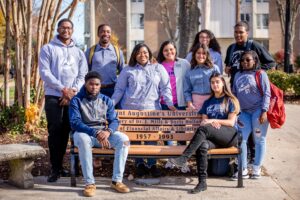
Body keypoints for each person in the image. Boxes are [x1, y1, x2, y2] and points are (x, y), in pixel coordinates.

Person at [168, 72, 240, 194]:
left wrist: (214, 120)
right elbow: (203, 122)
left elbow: (231, 123)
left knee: (204, 130)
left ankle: (184, 158)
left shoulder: (230, 100)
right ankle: (202, 183)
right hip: (213, 136)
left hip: (229, 136)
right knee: (202, 146)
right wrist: (210, 123)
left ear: (223, 83)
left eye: (217, 82)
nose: (215, 84)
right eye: (212, 82)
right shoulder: (208, 102)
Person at [112, 43, 175, 177]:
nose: (143, 55)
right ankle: (139, 164)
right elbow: (120, 90)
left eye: (145, 52)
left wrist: (169, 103)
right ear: (135, 54)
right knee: (134, 139)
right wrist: (111, 103)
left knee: (151, 138)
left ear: (149, 53)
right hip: (130, 110)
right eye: (139, 52)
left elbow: (165, 87)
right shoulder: (127, 70)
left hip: (151, 110)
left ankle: (152, 165)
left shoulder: (158, 68)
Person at [39, 18, 88, 182]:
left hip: (72, 96)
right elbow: (45, 73)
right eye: (63, 27)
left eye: (69, 28)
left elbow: (82, 75)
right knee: (55, 132)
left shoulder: (79, 52)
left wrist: (72, 91)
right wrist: (63, 89)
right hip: (54, 95)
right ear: (58, 29)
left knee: (67, 131)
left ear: (72, 30)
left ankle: (64, 167)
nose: (66, 30)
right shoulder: (48, 48)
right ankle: (55, 168)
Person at [69, 71, 130, 197]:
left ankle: (116, 181)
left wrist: (108, 131)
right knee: (83, 139)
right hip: (84, 133)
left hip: (102, 135)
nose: (94, 87)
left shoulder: (106, 100)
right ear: (85, 84)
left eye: (97, 84)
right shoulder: (76, 100)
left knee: (123, 139)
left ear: (100, 85)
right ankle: (89, 183)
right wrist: (95, 132)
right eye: (91, 84)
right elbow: (75, 122)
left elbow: (114, 120)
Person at [232, 50, 271, 180]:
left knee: (259, 139)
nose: (245, 62)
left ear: (255, 61)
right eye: (242, 60)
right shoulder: (237, 75)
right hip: (244, 113)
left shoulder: (261, 74)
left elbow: (267, 93)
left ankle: (256, 168)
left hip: (258, 112)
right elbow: (234, 94)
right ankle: (242, 169)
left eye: (248, 60)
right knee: (241, 140)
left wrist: (264, 110)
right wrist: (235, 111)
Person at [224, 21, 276, 87]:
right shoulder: (231, 48)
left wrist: (254, 70)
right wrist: (227, 69)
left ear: (247, 33)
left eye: (241, 32)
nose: (238, 35)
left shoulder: (254, 45)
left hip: (253, 88)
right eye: (236, 32)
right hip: (235, 88)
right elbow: (227, 66)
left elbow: (271, 64)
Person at [85, 24, 125, 98]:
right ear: (98, 34)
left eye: (108, 32)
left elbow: (123, 72)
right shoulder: (90, 51)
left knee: (111, 109)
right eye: (102, 31)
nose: (106, 34)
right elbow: (85, 71)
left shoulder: (118, 51)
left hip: (113, 90)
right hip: (95, 90)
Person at [184, 43, 220, 112]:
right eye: (198, 53)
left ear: (207, 55)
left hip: (212, 101)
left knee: (210, 122)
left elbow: (220, 87)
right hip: (196, 103)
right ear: (194, 54)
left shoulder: (214, 68)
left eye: (204, 53)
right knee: (197, 123)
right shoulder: (189, 71)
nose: (201, 56)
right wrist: (190, 104)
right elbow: (187, 90)